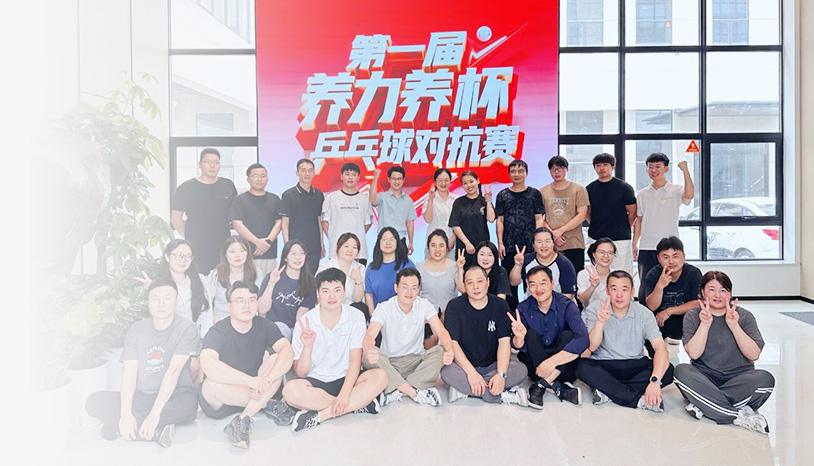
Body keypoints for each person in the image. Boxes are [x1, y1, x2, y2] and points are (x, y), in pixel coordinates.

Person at [85, 279, 201, 447]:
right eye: (155, 299)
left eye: (167, 298)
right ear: (148, 303)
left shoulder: (187, 328)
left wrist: (154, 414)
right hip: (142, 395)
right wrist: (125, 413)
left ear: (176, 301)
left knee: (189, 406)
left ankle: (120, 427)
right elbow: (129, 373)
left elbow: (173, 372)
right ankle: (156, 431)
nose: (161, 303)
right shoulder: (136, 330)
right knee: (94, 402)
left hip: (175, 394)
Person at [282, 268, 389, 432]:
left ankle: (321, 415)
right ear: (318, 294)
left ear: (344, 292)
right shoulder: (305, 322)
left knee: (381, 377)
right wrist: (307, 347)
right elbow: (301, 373)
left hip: (347, 379)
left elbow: (355, 360)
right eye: (326, 291)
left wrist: (345, 394)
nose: (332, 296)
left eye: (337, 290)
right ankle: (359, 403)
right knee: (290, 392)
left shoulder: (355, 316)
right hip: (316, 382)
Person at [674, 271, 774, 434]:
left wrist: (734, 326)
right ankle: (739, 415)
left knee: (766, 379)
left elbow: (754, 355)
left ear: (730, 294)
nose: (717, 295)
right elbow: (694, 354)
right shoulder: (692, 316)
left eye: (723, 290)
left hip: (739, 379)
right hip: (705, 378)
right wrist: (705, 324)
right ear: (702, 292)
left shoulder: (745, 316)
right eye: (711, 290)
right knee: (681, 371)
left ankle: (705, 404)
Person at [199, 281, 295, 448]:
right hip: (226, 395)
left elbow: (287, 351)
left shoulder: (265, 325)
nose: (247, 305)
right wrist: (249, 381)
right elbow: (208, 364)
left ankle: (244, 418)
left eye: (251, 300)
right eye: (240, 301)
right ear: (229, 306)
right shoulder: (217, 331)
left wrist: (267, 380)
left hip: (258, 389)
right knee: (210, 385)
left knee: (276, 360)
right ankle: (267, 404)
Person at [577, 271, 674, 412]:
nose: (619, 295)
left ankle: (607, 390)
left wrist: (654, 381)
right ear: (607, 291)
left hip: (635, 364)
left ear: (632, 291)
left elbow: (660, 348)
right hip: (604, 364)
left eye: (624, 289)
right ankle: (638, 400)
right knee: (581, 366)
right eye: (614, 289)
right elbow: (591, 346)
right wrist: (600, 322)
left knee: (668, 370)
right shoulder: (595, 309)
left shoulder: (644, 313)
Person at [362, 268, 455, 407]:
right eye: (405, 287)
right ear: (396, 288)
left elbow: (442, 332)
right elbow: (369, 335)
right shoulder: (384, 308)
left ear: (419, 290)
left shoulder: (424, 305)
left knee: (441, 351)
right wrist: (369, 349)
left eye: (414, 288)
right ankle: (413, 392)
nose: (409, 292)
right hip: (389, 363)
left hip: (415, 363)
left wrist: (449, 350)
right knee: (368, 354)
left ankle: (395, 390)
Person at [440, 265, 530, 407]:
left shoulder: (500, 305)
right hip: (464, 366)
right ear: (464, 286)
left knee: (521, 370)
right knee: (446, 372)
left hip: (493, 364)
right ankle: (501, 395)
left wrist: (500, 375)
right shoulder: (454, 306)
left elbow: (504, 342)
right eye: (470, 283)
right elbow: (453, 343)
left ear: (488, 282)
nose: (475, 287)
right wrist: (471, 373)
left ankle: (465, 390)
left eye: (480, 281)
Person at [512, 266, 588, 409]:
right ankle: (559, 388)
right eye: (533, 284)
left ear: (552, 283)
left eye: (543, 283)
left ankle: (541, 385)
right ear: (528, 287)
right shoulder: (523, 308)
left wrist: (552, 362)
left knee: (568, 335)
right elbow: (517, 345)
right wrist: (519, 337)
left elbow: (583, 339)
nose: (538, 289)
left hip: (563, 368)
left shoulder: (567, 305)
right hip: (536, 368)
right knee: (530, 334)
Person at [633, 152, 695, 302]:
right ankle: (646, 315)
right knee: (645, 285)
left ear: (666, 169)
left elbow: (689, 195)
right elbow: (639, 220)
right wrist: (634, 243)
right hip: (647, 246)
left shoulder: (675, 190)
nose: (654, 170)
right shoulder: (642, 194)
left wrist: (685, 170)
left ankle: (668, 313)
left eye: (658, 167)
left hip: (669, 248)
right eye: (650, 167)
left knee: (670, 284)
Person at [171, 148, 238, 273]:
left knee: (222, 282)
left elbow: (236, 214)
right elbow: (175, 218)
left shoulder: (228, 185)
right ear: (200, 164)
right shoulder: (186, 188)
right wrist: (190, 237)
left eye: (216, 162)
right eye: (208, 162)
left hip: (222, 248)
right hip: (197, 249)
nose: (212, 166)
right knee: (198, 282)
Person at [136, 239, 213, 339]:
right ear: (167, 257)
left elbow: (207, 312)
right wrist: (151, 290)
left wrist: (206, 340)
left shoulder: (200, 279)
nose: (183, 260)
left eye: (188, 256)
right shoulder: (159, 284)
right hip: (169, 338)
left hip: (196, 337)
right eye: (179, 255)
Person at [495, 159, 545, 310]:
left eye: (520, 171)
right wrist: (500, 243)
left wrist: (538, 242)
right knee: (510, 285)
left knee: (532, 282)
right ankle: (512, 316)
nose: (517, 174)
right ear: (509, 174)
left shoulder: (535, 194)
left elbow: (539, 218)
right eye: (513, 171)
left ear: (526, 173)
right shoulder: (503, 195)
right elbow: (500, 221)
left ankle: (532, 314)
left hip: (530, 246)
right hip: (509, 246)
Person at [644, 236, 703, 345]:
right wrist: (660, 286)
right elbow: (651, 306)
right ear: (659, 259)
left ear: (683, 256)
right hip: (660, 320)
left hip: (686, 318)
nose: (671, 261)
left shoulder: (693, 273)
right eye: (665, 257)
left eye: (675, 256)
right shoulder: (653, 274)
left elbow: (697, 303)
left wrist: (669, 311)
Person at [585, 153, 637, 274]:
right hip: (596, 237)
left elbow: (633, 212)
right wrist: (595, 223)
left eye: (605, 165)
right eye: (598, 165)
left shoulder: (624, 188)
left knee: (621, 273)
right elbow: (587, 212)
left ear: (612, 167)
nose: (601, 168)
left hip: (620, 238)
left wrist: (624, 226)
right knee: (597, 273)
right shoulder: (589, 189)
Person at [258, 240, 316, 340]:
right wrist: (271, 283)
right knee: (281, 328)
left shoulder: (310, 281)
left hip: (295, 329)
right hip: (274, 328)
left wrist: (298, 336)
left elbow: (302, 313)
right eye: (293, 254)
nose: (298, 257)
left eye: (301, 253)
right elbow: (262, 310)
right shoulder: (271, 277)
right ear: (285, 257)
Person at [541, 155, 589, 275]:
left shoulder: (578, 189)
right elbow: (539, 217)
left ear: (567, 169)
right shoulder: (543, 191)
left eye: (560, 168)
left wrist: (560, 231)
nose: (556, 172)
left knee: (575, 278)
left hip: (574, 243)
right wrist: (553, 235)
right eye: (553, 169)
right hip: (550, 244)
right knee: (550, 278)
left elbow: (582, 215)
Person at [231, 163, 282, 276]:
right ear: (248, 179)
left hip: (270, 252)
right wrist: (258, 242)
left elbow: (279, 222)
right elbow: (237, 224)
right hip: (248, 253)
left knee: (269, 283)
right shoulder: (239, 200)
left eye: (263, 176)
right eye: (255, 176)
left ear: (267, 179)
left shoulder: (275, 199)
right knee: (249, 283)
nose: (259, 179)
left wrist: (267, 242)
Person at [321, 162, 373, 265]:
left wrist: (357, 235)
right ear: (341, 176)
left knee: (357, 275)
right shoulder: (331, 198)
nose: (350, 177)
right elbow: (324, 221)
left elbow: (368, 223)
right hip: (336, 249)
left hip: (359, 252)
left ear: (358, 177)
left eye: (354, 175)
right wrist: (333, 237)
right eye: (347, 174)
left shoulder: (364, 200)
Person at [279, 158, 325, 273]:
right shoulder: (288, 195)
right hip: (295, 247)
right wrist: (287, 246)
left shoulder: (318, 194)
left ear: (314, 173)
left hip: (314, 247)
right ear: (297, 173)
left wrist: (321, 244)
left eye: (310, 170)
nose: (307, 173)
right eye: (303, 170)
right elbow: (285, 222)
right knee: (296, 277)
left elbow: (319, 220)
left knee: (311, 278)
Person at [207, 236, 263, 324]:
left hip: (248, 322)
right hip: (221, 322)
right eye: (232, 251)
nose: (237, 255)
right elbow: (206, 305)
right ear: (225, 254)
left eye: (242, 251)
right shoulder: (215, 275)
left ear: (247, 253)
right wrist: (217, 323)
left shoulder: (256, 272)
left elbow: (258, 302)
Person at [509, 227, 577, 300]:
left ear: (553, 243)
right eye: (539, 242)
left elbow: (569, 295)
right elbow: (514, 282)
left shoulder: (564, 264)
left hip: (559, 304)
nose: (544, 245)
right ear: (533, 245)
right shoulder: (527, 259)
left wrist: (546, 305)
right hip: (532, 304)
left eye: (547, 241)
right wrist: (518, 265)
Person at [448, 170, 495, 266]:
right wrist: (467, 243)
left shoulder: (483, 201)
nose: (469, 185)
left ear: (478, 181)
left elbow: (491, 219)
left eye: (471, 181)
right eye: (465, 183)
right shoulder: (459, 202)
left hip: (483, 249)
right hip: (464, 248)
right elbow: (455, 225)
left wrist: (488, 200)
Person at [365, 227, 416, 314]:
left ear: (397, 243)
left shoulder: (407, 265)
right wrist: (373, 317)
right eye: (384, 239)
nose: (388, 242)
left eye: (392, 239)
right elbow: (369, 295)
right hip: (379, 316)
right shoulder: (371, 268)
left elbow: (415, 292)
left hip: (403, 315)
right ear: (379, 242)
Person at [369, 166, 417, 254]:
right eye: (394, 179)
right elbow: (372, 200)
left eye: (399, 179)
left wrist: (411, 242)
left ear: (403, 180)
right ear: (389, 179)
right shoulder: (382, 197)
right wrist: (375, 178)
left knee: (401, 263)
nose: (397, 182)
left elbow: (410, 222)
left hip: (400, 240)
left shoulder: (408, 200)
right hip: (383, 240)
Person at [316, 233, 367, 307]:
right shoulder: (326, 266)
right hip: (328, 306)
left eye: (354, 247)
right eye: (346, 246)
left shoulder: (360, 268)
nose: (350, 250)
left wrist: (358, 280)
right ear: (338, 248)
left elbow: (358, 300)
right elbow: (317, 294)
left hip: (349, 308)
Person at [423, 168, 458, 259]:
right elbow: (428, 219)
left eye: (446, 180)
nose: (443, 183)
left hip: (451, 243)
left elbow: (460, 223)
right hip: (433, 243)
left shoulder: (456, 200)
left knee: (451, 267)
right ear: (435, 182)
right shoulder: (429, 198)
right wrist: (431, 199)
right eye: (440, 180)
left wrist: (452, 239)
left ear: (450, 181)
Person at [577, 238, 618, 308]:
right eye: (602, 252)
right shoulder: (584, 274)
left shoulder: (618, 275)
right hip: (591, 313)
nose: (606, 256)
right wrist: (592, 286)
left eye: (610, 253)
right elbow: (582, 300)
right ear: (594, 254)